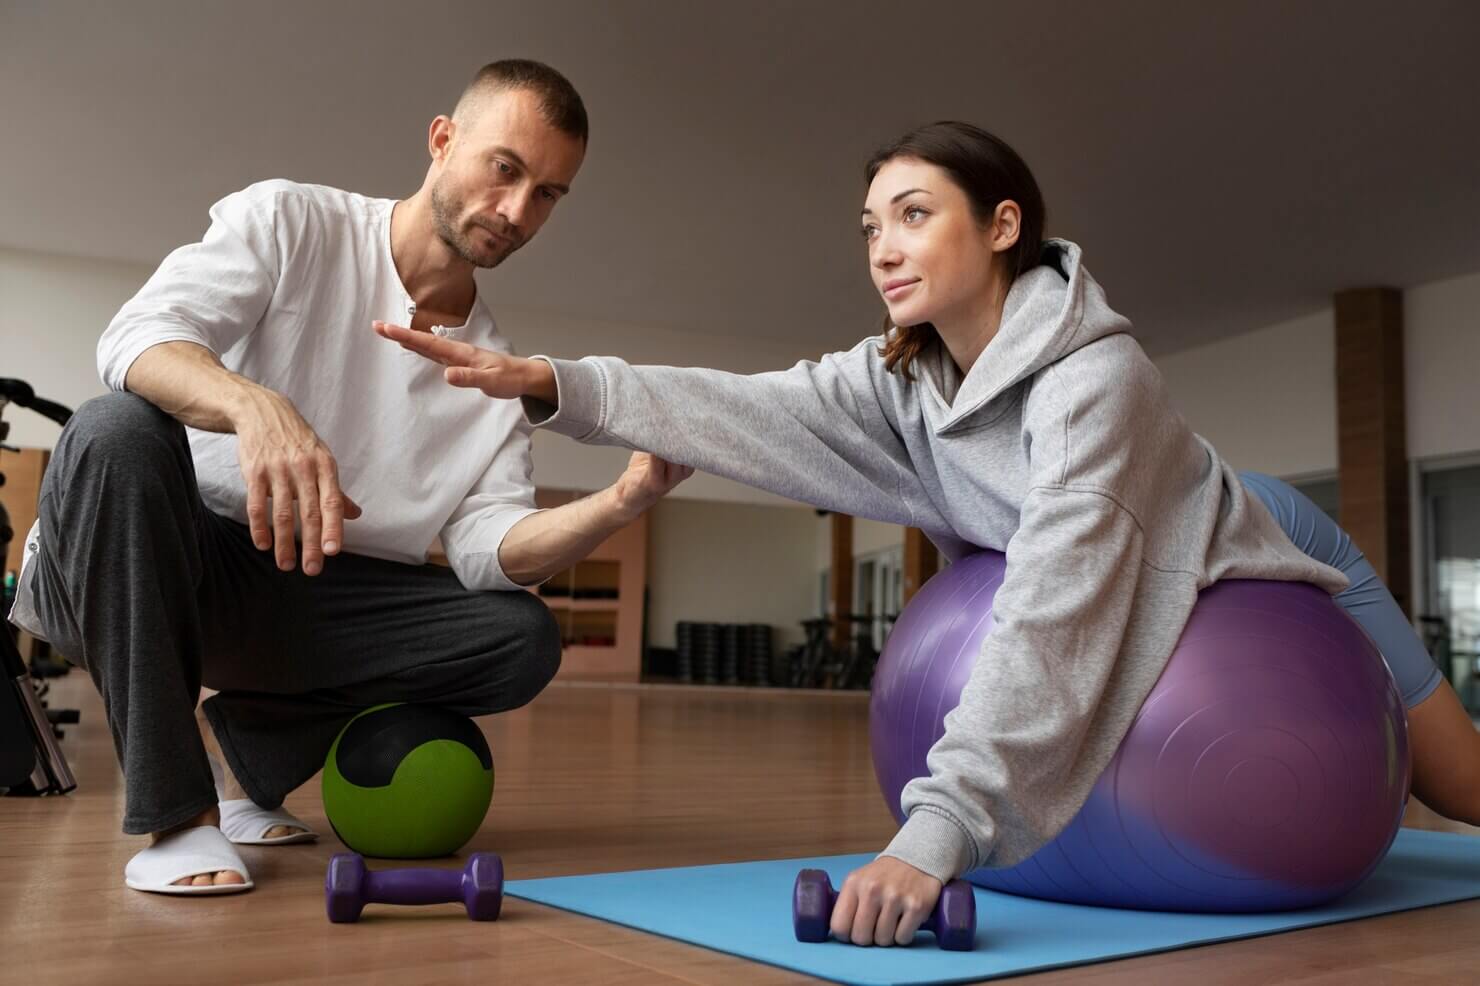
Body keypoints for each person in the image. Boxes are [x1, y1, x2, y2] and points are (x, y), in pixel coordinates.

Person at [379, 119, 1480, 945]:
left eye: (914, 215)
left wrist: (937, 830)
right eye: (871, 226)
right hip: (1130, 534)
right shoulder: (900, 375)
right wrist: (554, 382)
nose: (883, 247)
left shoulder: (1094, 383)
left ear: (1002, 226)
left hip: (1260, 531)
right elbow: (755, 406)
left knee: (1465, 792)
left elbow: (1057, 606)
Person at [6, 59, 690, 895]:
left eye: (547, 194)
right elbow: (136, 338)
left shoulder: (496, 373)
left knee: (520, 635)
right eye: (504, 169)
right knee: (114, 427)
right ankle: (177, 818)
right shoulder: (293, 222)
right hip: (136, 565)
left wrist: (622, 500)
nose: (517, 211)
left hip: (290, 598)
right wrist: (255, 407)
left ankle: (250, 757)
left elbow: (490, 550)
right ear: (443, 140)